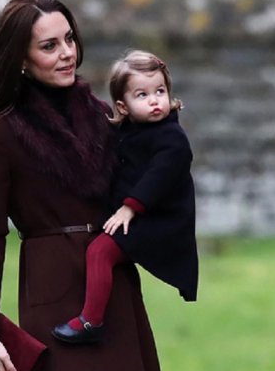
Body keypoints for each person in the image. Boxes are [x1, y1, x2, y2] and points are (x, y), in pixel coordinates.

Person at [0, 0, 178, 371]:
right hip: (52, 299)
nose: (67, 53)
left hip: (114, 292)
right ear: (19, 57)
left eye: (69, 39)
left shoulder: (103, 115)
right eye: (48, 46)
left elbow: (157, 161)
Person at [52, 50, 198, 344]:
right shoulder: (128, 132)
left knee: (100, 252)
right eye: (142, 95)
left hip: (159, 221)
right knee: (98, 251)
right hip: (140, 215)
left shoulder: (172, 138)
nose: (155, 100)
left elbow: (159, 177)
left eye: (160, 91)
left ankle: (92, 321)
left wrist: (129, 208)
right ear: (124, 105)